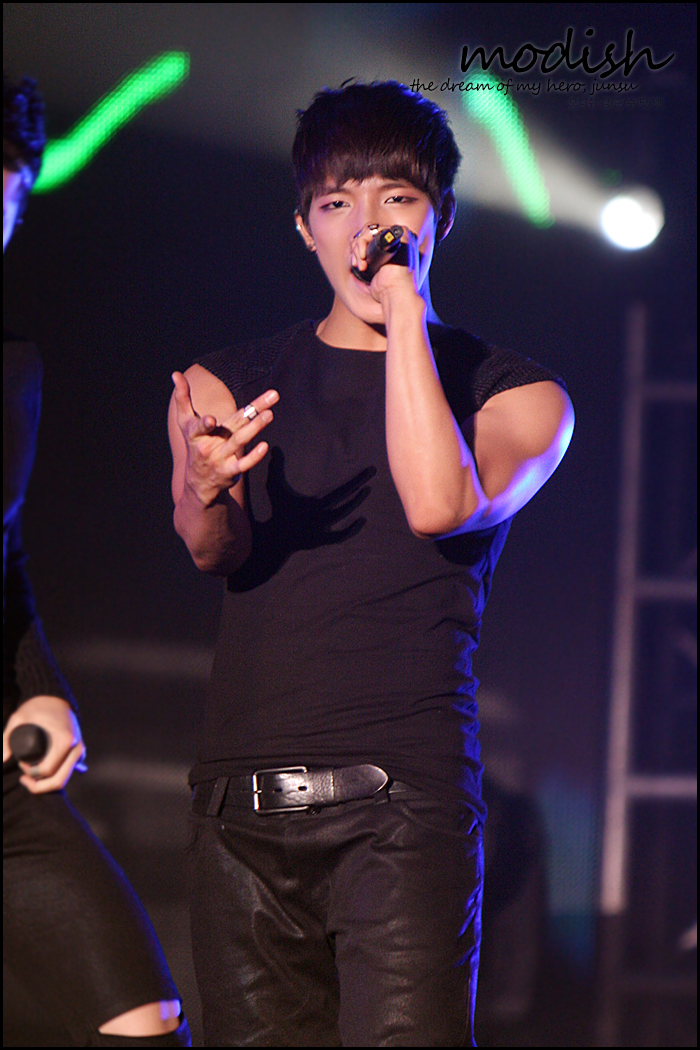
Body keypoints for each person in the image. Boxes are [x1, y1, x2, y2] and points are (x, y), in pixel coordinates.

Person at [169, 80, 574, 1046]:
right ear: (303, 227)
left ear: (441, 219)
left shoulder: (517, 397)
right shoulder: (226, 383)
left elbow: (438, 505)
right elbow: (209, 549)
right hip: (240, 810)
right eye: (336, 202)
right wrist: (208, 483)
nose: (366, 226)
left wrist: (401, 304)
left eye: (396, 198)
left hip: (403, 811)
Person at [3, 73, 191, 1047]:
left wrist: (40, 688)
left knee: (145, 1019)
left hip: (4, 786)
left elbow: (2, 548)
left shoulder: (13, 368)